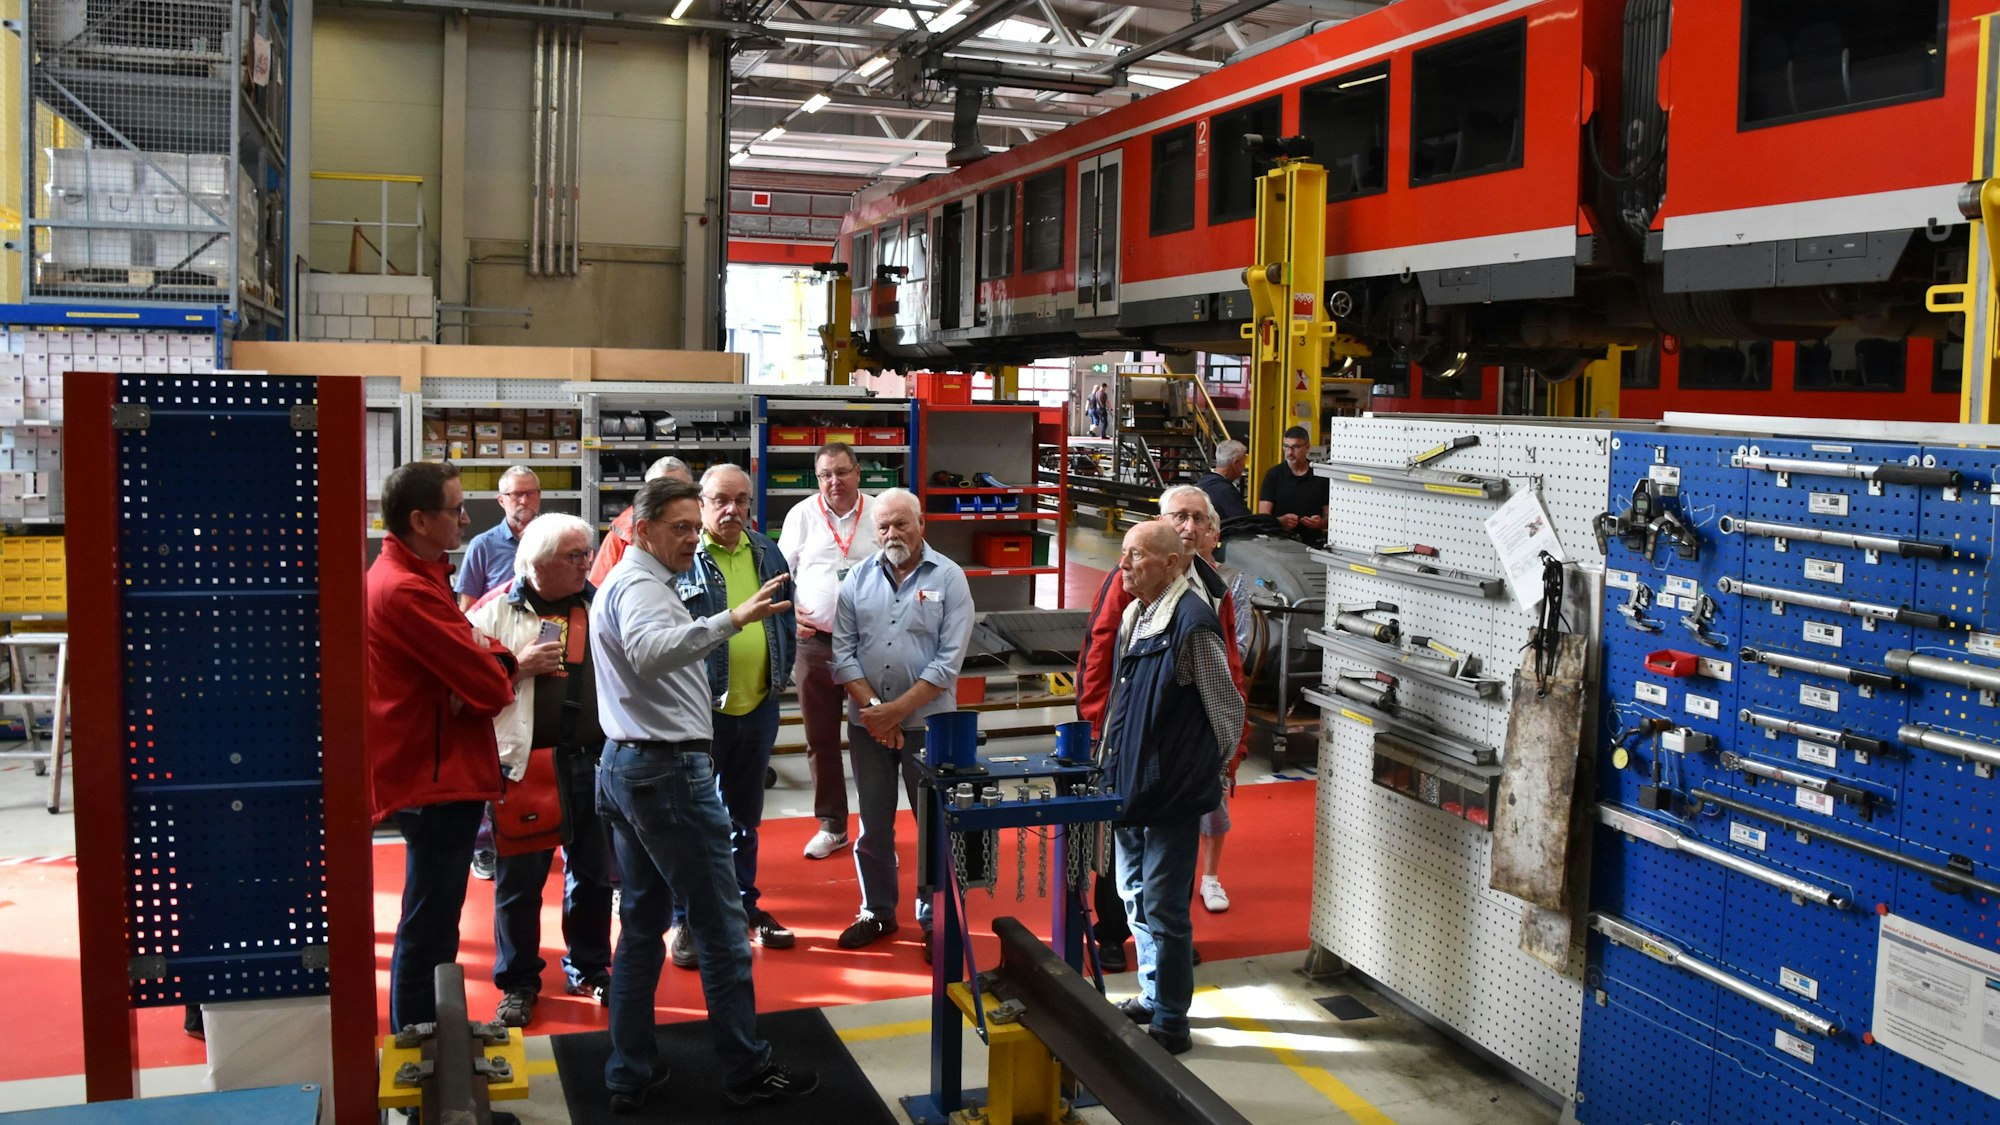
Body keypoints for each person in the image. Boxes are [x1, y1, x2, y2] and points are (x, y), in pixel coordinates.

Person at [590, 477, 818, 1112]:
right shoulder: (638, 586)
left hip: (633, 764)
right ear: (641, 530)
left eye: (697, 526)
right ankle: (746, 1070)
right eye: (680, 527)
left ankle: (628, 1071)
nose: (693, 538)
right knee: (719, 927)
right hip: (666, 775)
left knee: (640, 929)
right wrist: (733, 618)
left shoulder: (637, 582)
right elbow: (649, 650)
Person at [366, 461, 519, 1034]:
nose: (464, 517)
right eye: (454, 508)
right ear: (419, 520)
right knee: (429, 925)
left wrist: (485, 663)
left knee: (431, 920)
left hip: (436, 771)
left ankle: (426, 1048)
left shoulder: (420, 576)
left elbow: (485, 652)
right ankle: (420, 1059)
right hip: (436, 779)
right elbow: (492, 684)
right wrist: (487, 671)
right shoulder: (407, 591)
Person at [1075, 485, 1248, 969]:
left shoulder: (1212, 588)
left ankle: (1168, 946)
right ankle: (1112, 933)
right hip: (1125, 736)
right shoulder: (1128, 580)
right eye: (1179, 517)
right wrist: (1099, 726)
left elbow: (1229, 667)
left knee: (1172, 847)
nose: (1188, 527)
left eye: (1197, 518)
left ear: (1210, 530)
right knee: (1118, 841)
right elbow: (1099, 650)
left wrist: (1228, 749)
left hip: (1178, 744)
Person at [466, 513, 615, 1027]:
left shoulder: (599, 603)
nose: (585, 564)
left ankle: (591, 966)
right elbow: (464, 693)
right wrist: (516, 667)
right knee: (519, 884)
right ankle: (519, 982)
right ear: (537, 563)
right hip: (523, 768)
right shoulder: (490, 615)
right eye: (573, 556)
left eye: (586, 553)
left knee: (594, 875)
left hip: (592, 762)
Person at [1101, 520, 1244, 1056]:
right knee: (1133, 896)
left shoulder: (1193, 622)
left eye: (1134, 557)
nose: (1123, 566)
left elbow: (1226, 708)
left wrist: (1207, 773)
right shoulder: (1136, 614)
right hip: (1132, 783)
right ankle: (1151, 992)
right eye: (1123, 554)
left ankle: (1171, 1019)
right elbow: (1120, 702)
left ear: (1169, 563)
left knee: (1163, 906)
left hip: (1171, 792)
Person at [663, 464, 799, 971]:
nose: (733, 510)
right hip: (701, 713)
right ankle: (685, 919)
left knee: (745, 818)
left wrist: (778, 678)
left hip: (758, 705)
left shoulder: (767, 551)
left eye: (741, 500)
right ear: (700, 503)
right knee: (693, 821)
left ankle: (743, 904)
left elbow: (785, 617)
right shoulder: (683, 557)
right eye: (721, 500)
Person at [829, 489, 973, 960]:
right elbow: (842, 654)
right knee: (873, 824)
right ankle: (878, 911)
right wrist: (876, 712)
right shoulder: (855, 580)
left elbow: (948, 663)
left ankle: (936, 919)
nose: (892, 534)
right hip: (868, 725)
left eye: (901, 524)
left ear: (921, 524)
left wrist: (897, 712)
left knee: (935, 824)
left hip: (929, 727)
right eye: (884, 527)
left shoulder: (949, 578)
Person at [780, 443, 881, 861]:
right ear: (817, 478)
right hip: (815, 644)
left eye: (842, 472)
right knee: (820, 739)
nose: (834, 482)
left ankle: (878, 832)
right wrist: (789, 618)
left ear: (858, 472)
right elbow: (780, 572)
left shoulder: (881, 511)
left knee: (873, 736)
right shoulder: (802, 515)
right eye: (825, 475)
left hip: (871, 646)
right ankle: (833, 825)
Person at [590, 456, 692, 587]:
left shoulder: (705, 527)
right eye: (660, 491)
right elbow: (598, 586)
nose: (669, 498)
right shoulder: (623, 533)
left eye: (678, 491)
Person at [458, 465, 542, 608]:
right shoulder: (482, 546)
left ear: (539, 496)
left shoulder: (555, 541)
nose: (524, 500)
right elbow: (468, 608)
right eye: (517, 494)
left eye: (531, 493)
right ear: (501, 500)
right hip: (495, 629)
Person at [1257, 425, 1329, 545]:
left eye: (1295, 447)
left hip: (1311, 544)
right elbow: (1263, 517)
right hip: (1279, 543)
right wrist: (1280, 522)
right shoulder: (1274, 475)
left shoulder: (1320, 477)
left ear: (1307, 447)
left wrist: (1320, 523)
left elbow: (1330, 517)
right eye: (1286, 447)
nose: (1290, 452)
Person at [1196, 440, 1252, 524]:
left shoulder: (1204, 481)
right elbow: (1245, 522)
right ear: (1236, 463)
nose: (1245, 466)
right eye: (1244, 461)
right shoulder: (1224, 491)